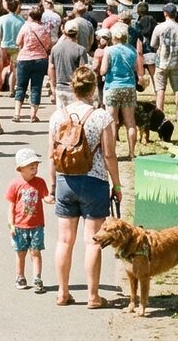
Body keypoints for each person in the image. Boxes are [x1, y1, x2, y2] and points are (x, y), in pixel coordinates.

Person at [48, 66, 120, 308]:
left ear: (73, 87)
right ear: (94, 88)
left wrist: (51, 186)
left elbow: (52, 155)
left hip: (65, 181)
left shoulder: (58, 116)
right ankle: (93, 296)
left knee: (64, 241)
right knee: (93, 241)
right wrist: (117, 185)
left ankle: (62, 292)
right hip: (94, 181)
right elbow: (109, 154)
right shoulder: (102, 117)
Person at [7, 147, 52, 294]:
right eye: (31, 167)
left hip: (37, 225)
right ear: (21, 169)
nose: (35, 170)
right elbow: (11, 205)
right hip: (20, 225)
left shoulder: (40, 182)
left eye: (36, 166)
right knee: (21, 253)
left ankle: (37, 278)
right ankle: (20, 276)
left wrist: (49, 199)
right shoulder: (15, 184)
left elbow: (45, 196)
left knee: (36, 252)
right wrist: (11, 224)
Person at [100, 23, 139, 156]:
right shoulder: (132, 50)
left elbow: (103, 70)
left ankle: (111, 152)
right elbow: (135, 68)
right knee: (130, 122)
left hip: (112, 87)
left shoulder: (109, 51)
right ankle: (131, 152)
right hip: (129, 86)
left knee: (112, 122)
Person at [13, 7, 52, 124]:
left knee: (21, 86)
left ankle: (17, 113)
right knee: (36, 87)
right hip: (40, 59)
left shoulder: (25, 27)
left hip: (24, 58)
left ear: (30, 16)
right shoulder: (44, 29)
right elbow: (48, 44)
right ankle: (33, 115)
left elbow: (18, 42)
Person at [150, 4, 178, 122]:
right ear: (175, 14)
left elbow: (152, 44)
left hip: (162, 61)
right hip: (176, 62)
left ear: (165, 13)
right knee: (177, 89)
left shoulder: (159, 27)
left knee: (160, 89)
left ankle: (160, 114)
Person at [50, 20, 91, 109]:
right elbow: (83, 70)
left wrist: (53, 86)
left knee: (62, 114)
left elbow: (52, 68)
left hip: (60, 86)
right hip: (75, 87)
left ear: (64, 32)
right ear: (77, 33)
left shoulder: (55, 48)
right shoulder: (80, 49)